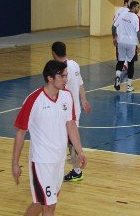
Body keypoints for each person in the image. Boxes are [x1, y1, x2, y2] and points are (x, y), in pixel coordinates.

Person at [12, 60, 87, 216]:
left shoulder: (67, 96)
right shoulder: (33, 100)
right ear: (50, 78)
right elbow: (20, 133)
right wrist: (15, 163)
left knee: (42, 204)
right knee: (49, 206)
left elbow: (71, 125)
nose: (66, 79)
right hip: (41, 161)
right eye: (62, 76)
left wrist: (80, 152)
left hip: (58, 161)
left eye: (66, 76)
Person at [51, 41, 92, 183]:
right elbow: (80, 84)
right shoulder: (74, 64)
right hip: (76, 110)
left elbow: (58, 91)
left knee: (68, 142)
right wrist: (84, 100)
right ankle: (74, 169)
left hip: (66, 112)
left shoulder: (60, 70)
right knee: (69, 141)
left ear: (54, 53)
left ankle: (77, 171)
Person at [112, 0, 140, 92]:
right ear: (133, 7)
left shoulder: (122, 15)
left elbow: (114, 26)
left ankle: (118, 77)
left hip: (121, 42)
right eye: (138, 7)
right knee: (131, 63)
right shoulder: (135, 17)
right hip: (131, 43)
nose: (139, 9)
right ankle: (129, 86)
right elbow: (138, 32)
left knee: (120, 61)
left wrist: (114, 38)